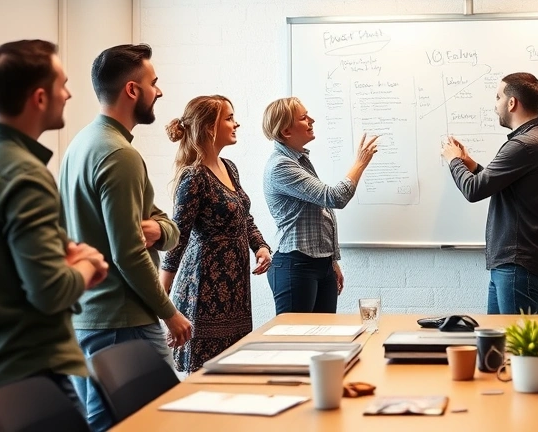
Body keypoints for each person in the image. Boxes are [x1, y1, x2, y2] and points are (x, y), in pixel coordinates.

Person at [0, 40, 109, 431]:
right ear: (40, 97)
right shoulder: (24, 175)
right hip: (26, 373)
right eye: (63, 84)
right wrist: (88, 266)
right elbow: (51, 290)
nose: (70, 93)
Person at [58, 43, 191, 432]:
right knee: (151, 421)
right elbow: (129, 253)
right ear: (132, 90)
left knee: (103, 420)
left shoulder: (81, 145)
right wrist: (171, 313)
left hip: (87, 316)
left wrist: (162, 229)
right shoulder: (119, 155)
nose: (160, 92)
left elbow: (160, 223)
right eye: (154, 83)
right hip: (122, 318)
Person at [160, 96, 272, 373]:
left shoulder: (230, 167)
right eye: (229, 117)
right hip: (203, 290)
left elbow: (244, 217)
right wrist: (161, 298)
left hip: (235, 291)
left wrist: (260, 246)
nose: (236, 123)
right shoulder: (194, 176)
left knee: (234, 373)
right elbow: (177, 238)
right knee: (206, 376)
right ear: (210, 127)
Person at [442, 72, 538, 314]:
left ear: (512, 103)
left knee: (512, 346)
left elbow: (473, 189)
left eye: (498, 97)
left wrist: (453, 161)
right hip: (516, 262)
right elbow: (502, 184)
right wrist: (472, 165)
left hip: (516, 263)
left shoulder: (524, 145)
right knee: (499, 346)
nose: (495, 104)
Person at [262, 96, 379, 314]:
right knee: (297, 341)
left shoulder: (300, 160)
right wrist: (360, 163)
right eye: (304, 117)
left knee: (323, 337)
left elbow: (322, 213)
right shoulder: (281, 166)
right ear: (286, 131)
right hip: (295, 266)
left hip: (319, 264)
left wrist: (331, 260)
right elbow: (334, 198)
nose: (312, 120)